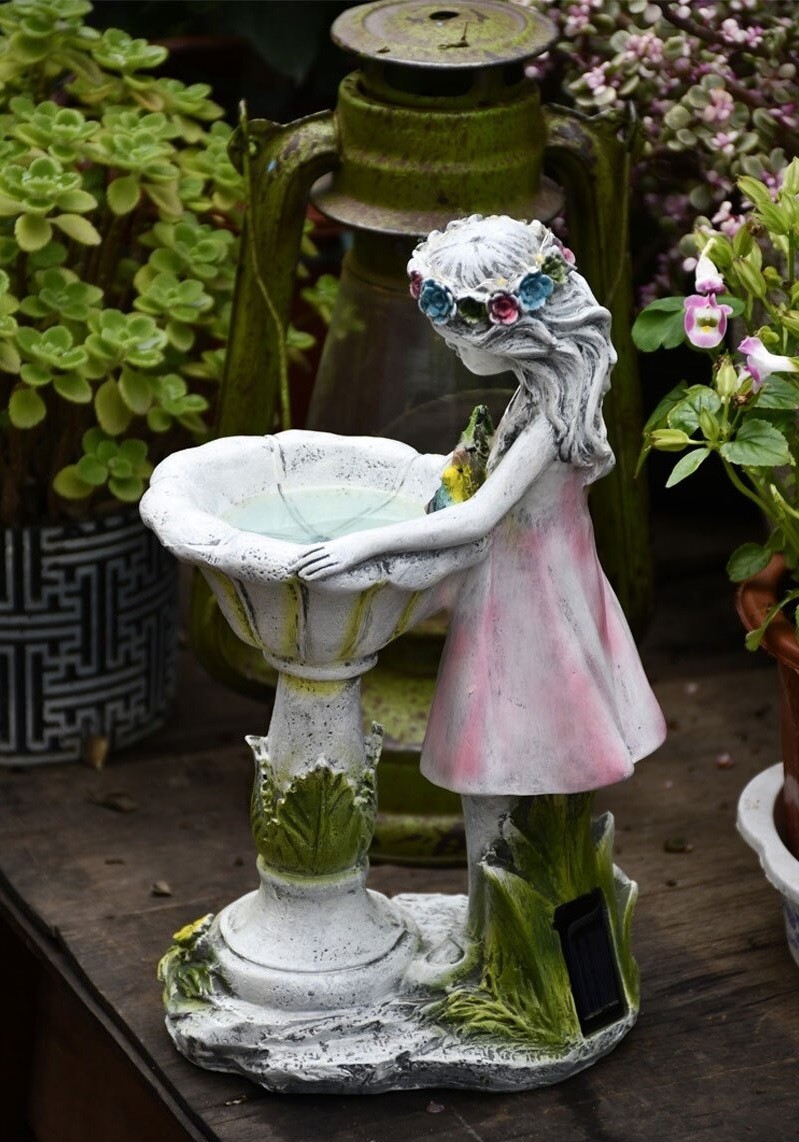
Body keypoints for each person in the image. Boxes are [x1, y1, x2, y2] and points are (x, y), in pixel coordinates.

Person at [296, 215, 666, 916]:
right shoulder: (543, 393)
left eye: (455, 334)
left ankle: (505, 934)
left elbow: (479, 518)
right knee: (510, 770)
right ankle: (500, 927)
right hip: (539, 586)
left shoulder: (550, 419)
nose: (444, 343)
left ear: (507, 331)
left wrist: (366, 543)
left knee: (500, 769)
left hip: (526, 607)